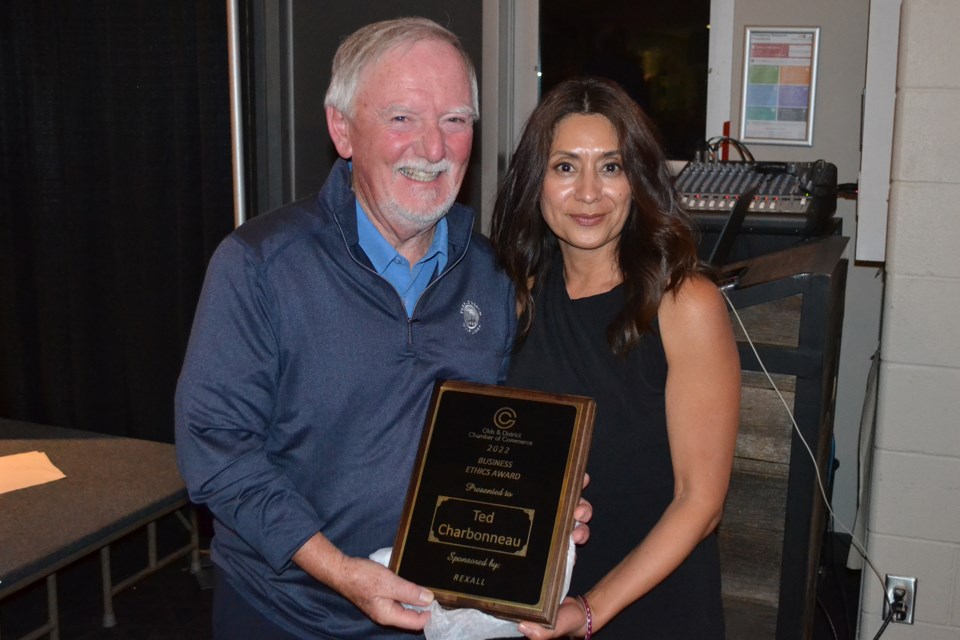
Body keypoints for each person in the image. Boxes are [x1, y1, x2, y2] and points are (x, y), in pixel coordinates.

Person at [175, 18, 590, 640]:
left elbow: (506, 436)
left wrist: (548, 502)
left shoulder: (495, 278)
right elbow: (216, 450)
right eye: (403, 118)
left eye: (455, 120)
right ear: (342, 130)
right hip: (287, 617)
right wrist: (339, 571)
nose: (432, 149)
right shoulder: (260, 266)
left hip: (443, 621)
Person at [490, 77, 740, 639]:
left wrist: (591, 609)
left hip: (652, 604)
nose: (587, 193)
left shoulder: (685, 304)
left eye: (610, 167)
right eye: (564, 167)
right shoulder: (517, 296)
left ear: (638, 181)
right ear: (536, 182)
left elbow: (700, 502)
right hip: (539, 602)